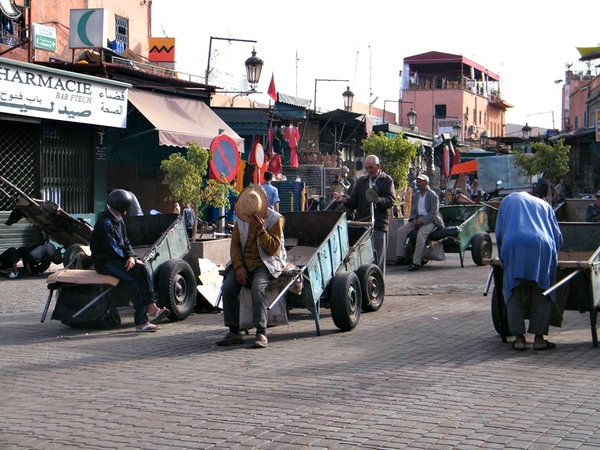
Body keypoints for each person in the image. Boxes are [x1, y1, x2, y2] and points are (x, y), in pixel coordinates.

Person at [216, 185, 287, 349]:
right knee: (227, 287)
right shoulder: (241, 218)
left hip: (265, 262)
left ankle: (261, 331)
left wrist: (262, 230)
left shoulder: (275, 219)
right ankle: (234, 331)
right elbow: (235, 245)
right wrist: (239, 266)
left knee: (258, 288)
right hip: (242, 263)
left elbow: (272, 248)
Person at [90, 189, 169, 332]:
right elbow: (112, 248)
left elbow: (126, 242)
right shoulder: (105, 223)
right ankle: (141, 321)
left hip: (118, 259)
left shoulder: (119, 221)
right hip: (106, 262)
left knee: (142, 270)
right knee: (133, 283)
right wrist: (128, 258)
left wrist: (132, 256)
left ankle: (151, 306)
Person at [495, 191, 563, 351]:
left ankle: (519, 340)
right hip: (542, 244)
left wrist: (503, 258)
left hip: (514, 244)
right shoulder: (545, 205)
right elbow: (558, 237)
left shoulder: (507, 201)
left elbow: (498, 234)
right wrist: (553, 258)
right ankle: (539, 340)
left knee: (513, 290)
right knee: (543, 290)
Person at [333, 154, 396, 277]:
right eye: (366, 168)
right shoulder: (362, 181)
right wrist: (344, 200)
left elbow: (391, 200)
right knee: (363, 258)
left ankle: (379, 286)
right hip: (363, 224)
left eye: (371, 168)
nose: (368, 170)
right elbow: (354, 200)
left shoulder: (387, 180)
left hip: (379, 224)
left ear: (378, 166)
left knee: (379, 258)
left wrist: (377, 200)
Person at [394, 173, 444, 271]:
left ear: (426, 183)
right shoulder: (416, 195)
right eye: (417, 182)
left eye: (420, 182)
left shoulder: (432, 195)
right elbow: (413, 211)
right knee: (401, 231)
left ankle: (416, 262)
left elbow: (433, 213)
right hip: (418, 218)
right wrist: (413, 220)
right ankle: (401, 257)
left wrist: (422, 222)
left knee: (420, 236)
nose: (418, 184)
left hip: (430, 220)